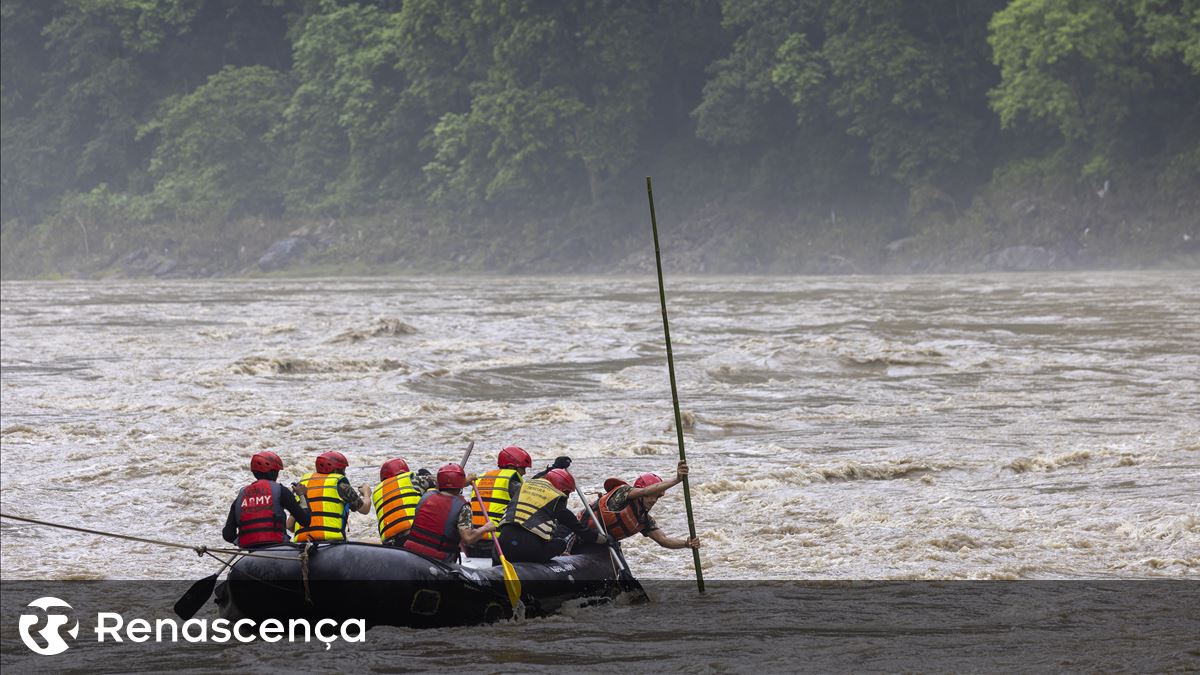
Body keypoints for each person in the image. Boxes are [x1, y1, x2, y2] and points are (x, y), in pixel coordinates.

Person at [579, 460, 700, 551]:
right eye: (650, 496)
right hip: (577, 531)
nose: (653, 500)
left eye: (656, 497)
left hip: (599, 544)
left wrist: (686, 543)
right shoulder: (623, 493)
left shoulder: (644, 520)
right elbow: (645, 491)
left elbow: (664, 540)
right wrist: (677, 480)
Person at [494, 468, 606, 564]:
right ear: (562, 489)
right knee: (560, 543)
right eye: (568, 493)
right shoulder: (557, 499)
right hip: (528, 550)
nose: (567, 496)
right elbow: (580, 529)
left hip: (503, 547)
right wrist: (604, 540)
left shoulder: (523, 487)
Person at [404, 463, 496, 564]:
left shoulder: (426, 496)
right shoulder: (463, 506)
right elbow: (468, 538)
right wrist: (486, 528)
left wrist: (463, 482)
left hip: (411, 553)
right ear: (460, 484)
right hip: (437, 560)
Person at [222, 451, 311, 548]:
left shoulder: (241, 495)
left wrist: (241, 542)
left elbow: (228, 535)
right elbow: (305, 521)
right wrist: (302, 495)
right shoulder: (281, 490)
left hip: (251, 551)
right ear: (274, 472)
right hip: (278, 547)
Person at [464, 445, 532, 557]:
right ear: (511, 467)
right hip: (497, 545)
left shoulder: (480, 478)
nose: (524, 473)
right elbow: (532, 506)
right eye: (523, 468)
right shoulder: (512, 483)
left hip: (473, 542)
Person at [291, 451, 371, 542]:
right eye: (343, 470)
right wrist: (366, 494)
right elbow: (365, 509)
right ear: (337, 470)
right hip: (332, 542)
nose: (344, 473)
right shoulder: (341, 485)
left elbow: (289, 525)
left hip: (303, 542)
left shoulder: (302, 487)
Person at [371, 457, 436, 547]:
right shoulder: (411, 479)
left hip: (390, 543)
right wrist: (428, 475)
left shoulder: (376, 492)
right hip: (412, 535)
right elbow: (439, 483)